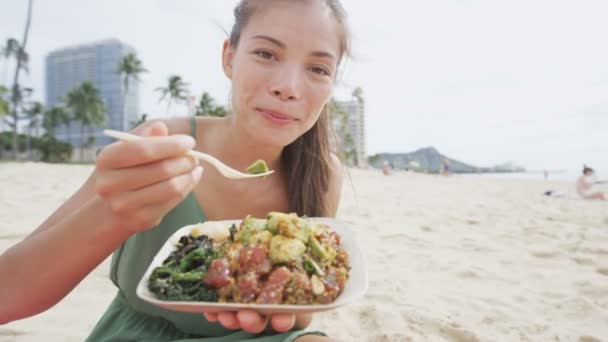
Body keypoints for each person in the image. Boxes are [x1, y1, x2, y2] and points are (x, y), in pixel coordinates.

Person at [0, 0, 349, 341]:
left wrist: (263, 287)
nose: (287, 87)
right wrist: (111, 214)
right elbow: (8, 294)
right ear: (229, 57)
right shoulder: (160, 144)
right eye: (266, 54)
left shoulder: (323, 173)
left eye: (318, 69)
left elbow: (301, 316)